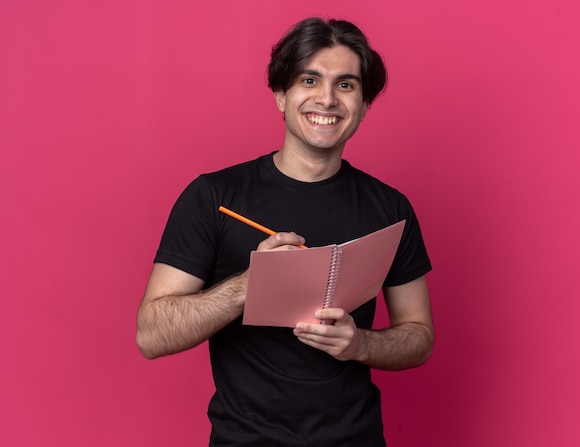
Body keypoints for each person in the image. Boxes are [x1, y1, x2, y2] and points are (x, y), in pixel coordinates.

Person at [136, 17, 434, 447]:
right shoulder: (213, 197)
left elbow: (420, 337)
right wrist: (248, 285)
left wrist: (359, 344)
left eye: (346, 85)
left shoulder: (390, 208)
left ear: (365, 104)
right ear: (280, 94)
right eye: (309, 79)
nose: (327, 99)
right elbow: (150, 335)